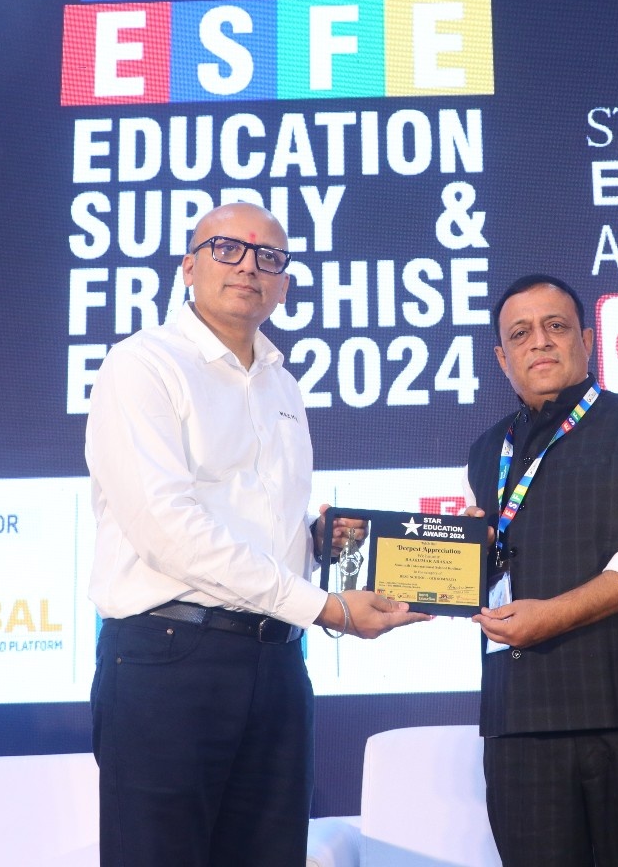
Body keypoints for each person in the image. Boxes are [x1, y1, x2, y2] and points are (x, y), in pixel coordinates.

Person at [85, 202, 427, 867]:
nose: (249, 266)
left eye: (269, 257)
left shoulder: (282, 384)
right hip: (171, 658)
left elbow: (260, 522)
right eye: (228, 249)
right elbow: (168, 530)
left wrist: (320, 543)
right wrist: (325, 607)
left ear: (285, 283)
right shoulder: (143, 365)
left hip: (277, 663)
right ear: (188, 266)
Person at [462, 273, 618, 867]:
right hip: (519, 723)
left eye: (555, 326)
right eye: (520, 334)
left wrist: (555, 616)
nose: (539, 342)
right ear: (502, 358)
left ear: (587, 341)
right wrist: (397, 551)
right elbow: (480, 571)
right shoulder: (486, 449)